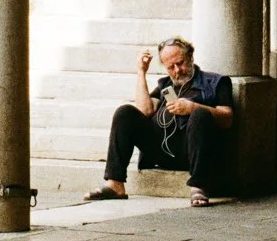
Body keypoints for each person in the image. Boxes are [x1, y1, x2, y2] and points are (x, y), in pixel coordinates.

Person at [85, 36, 233, 208]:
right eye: (171, 67)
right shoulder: (165, 86)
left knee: (200, 113)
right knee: (124, 113)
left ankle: (198, 185)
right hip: (162, 150)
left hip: (192, 151)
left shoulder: (216, 82)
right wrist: (141, 72)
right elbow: (145, 110)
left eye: (181, 63)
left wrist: (192, 107)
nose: (177, 70)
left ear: (191, 57)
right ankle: (115, 184)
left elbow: (227, 118)